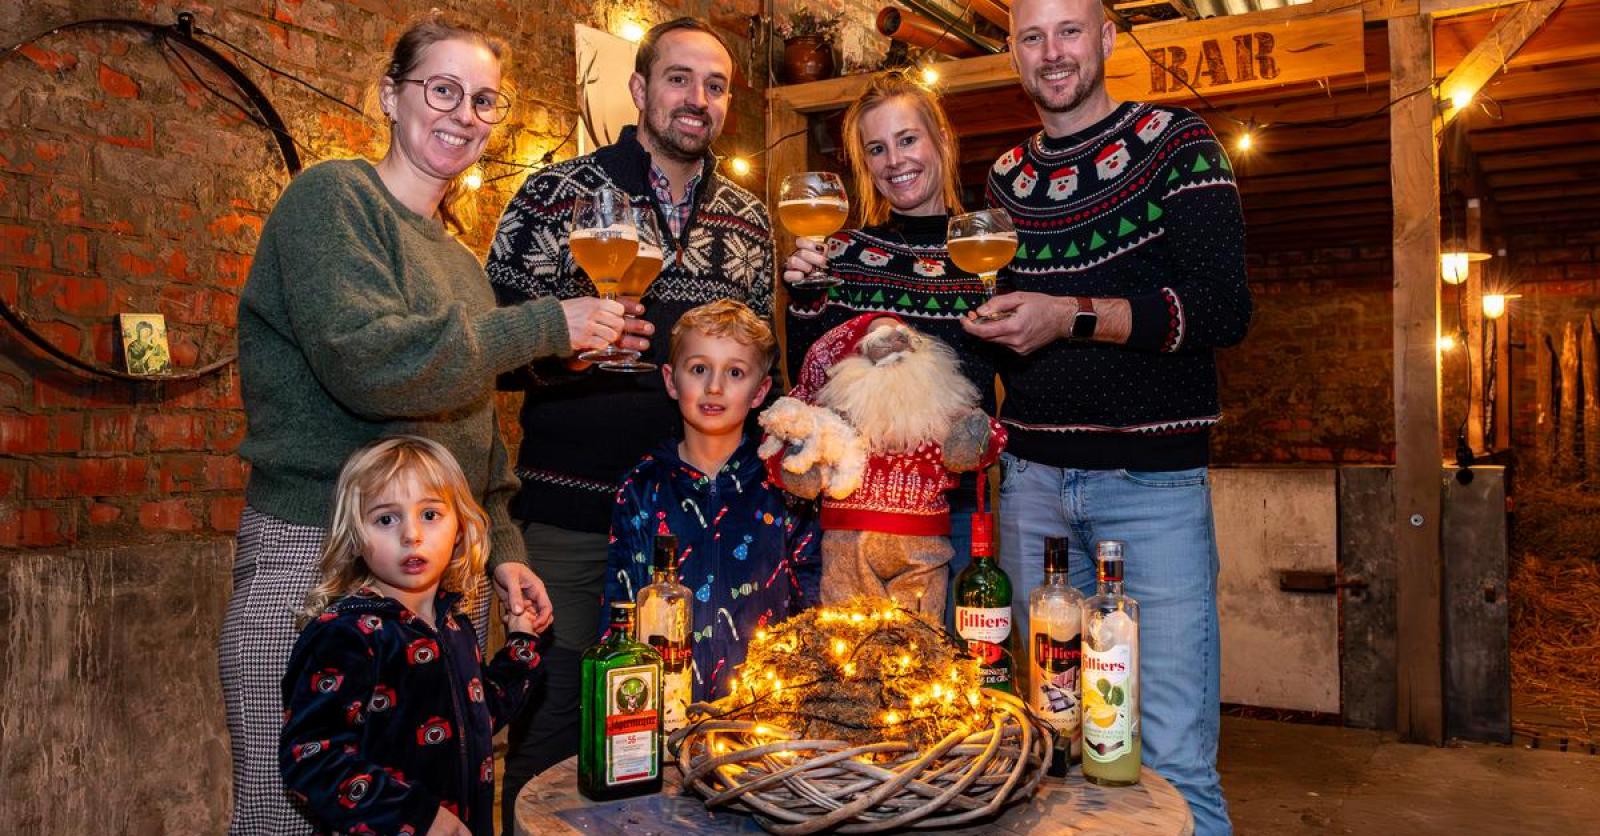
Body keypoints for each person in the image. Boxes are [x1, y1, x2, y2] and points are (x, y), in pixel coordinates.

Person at [223, 14, 616, 833]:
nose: (464, 114)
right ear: (391, 96)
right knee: (293, 812)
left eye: (483, 100)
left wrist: (501, 551)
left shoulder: (459, 263)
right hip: (315, 559)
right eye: (442, 89)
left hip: (444, 574)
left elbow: (476, 435)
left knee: (437, 807)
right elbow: (369, 365)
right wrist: (545, 325)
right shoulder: (333, 198)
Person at [962, 0, 1253, 832]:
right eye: (1031, 36)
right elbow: (1006, 321)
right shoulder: (1008, 178)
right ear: (1013, 51)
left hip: (1150, 486)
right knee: (1053, 745)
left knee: (1168, 753)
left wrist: (1068, 313)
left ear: (1106, 38)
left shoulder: (1180, 144)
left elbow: (1222, 309)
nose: (1051, 53)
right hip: (1033, 487)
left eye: (1068, 31)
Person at [486, 17, 774, 819]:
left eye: (715, 86)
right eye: (680, 79)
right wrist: (568, 350)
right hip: (571, 515)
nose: (698, 99)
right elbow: (489, 343)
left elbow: (758, 364)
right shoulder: (554, 193)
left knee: (698, 729)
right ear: (641, 90)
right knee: (552, 731)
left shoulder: (748, 219)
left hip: (704, 521)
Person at [780, 70, 999, 626]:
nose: (894, 160)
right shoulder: (844, 251)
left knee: (946, 676)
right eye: (876, 148)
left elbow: (999, 372)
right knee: (855, 670)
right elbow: (811, 376)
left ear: (942, 142)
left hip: (953, 504)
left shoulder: (985, 250)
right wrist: (804, 300)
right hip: (855, 508)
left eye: (907, 140)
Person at [280, 437, 543, 836]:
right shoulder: (345, 635)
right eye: (387, 519)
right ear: (355, 538)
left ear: (459, 529)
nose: (411, 535)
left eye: (431, 514)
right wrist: (422, 818)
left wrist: (521, 646)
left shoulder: (455, 626)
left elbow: (479, 715)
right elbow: (312, 759)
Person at [602, 300, 819, 702]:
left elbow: (811, 596)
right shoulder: (642, 485)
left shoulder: (782, 483)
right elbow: (620, 605)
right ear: (671, 380)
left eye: (735, 372)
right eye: (699, 369)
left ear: (760, 392)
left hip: (765, 707)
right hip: (663, 707)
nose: (714, 387)